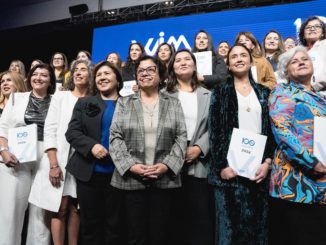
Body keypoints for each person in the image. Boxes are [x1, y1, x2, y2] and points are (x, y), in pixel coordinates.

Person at [109, 55, 187, 245]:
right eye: (140, 71)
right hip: (131, 179)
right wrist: (131, 166)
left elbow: (181, 137)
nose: (145, 74)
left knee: (160, 235)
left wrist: (166, 165)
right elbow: (115, 138)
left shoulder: (173, 102)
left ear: (160, 75)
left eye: (150, 69)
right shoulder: (124, 102)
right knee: (135, 236)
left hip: (164, 179)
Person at [208, 44, 275, 245]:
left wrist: (268, 162)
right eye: (234, 56)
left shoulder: (264, 92)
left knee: (257, 232)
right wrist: (222, 166)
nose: (238, 59)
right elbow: (215, 131)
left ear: (250, 60)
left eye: (243, 55)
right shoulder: (220, 92)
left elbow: (270, 130)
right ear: (227, 64)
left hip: (258, 173)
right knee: (229, 234)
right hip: (229, 174)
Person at [28, 60, 93, 245]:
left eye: (83, 69)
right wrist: (53, 164)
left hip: (83, 162)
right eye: (75, 70)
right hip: (59, 162)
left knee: (76, 209)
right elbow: (50, 130)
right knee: (59, 208)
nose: (78, 73)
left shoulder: (95, 99)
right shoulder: (60, 97)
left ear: (91, 75)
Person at [269, 46, 326, 244]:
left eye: (305, 59)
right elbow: (282, 130)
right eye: (295, 61)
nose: (301, 62)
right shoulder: (282, 91)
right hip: (296, 181)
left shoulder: (322, 97)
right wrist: (312, 162)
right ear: (286, 71)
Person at [65, 61, 124, 245]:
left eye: (107, 73)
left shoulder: (130, 103)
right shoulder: (84, 103)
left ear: (117, 79)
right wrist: (92, 146)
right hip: (89, 174)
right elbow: (72, 133)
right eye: (98, 75)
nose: (102, 77)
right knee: (91, 225)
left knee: (115, 225)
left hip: (119, 175)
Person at [0, 63, 56, 245]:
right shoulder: (16, 98)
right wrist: (3, 151)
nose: (38, 78)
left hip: (46, 157)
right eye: (35, 74)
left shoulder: (57, 101)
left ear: (50, 81)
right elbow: (2, 129)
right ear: (29, 77)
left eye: (44, 75)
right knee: (10, 210)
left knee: (40, 212)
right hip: (16, 157)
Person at [165, 49, 214, 245]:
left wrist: (200, 148)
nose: (183, 62)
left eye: (187, 59)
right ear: (172, 67)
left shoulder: (208, 94)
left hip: (198, 165)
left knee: (199, 223)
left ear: (195, 65)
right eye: (178, 60)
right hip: (168, 167)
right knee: (173, 223)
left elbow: (215, 127)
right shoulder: (162, 94)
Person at [299, 16, 326, 95]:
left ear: (323, 32)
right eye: (308, 27)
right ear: (303, 34)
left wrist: (313, 88)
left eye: (317, 26)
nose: (312, 29)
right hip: (304, 96)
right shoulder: (298, 52)